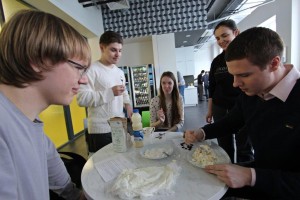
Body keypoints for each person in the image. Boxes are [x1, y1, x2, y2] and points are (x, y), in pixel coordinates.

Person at [185, 27, 300, 199]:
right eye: (233, 76)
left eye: (244, 75)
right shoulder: (252, 93)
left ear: (274, 63)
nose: (235, 84)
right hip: (262, 174)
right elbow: (232, 121)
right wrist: (203, 132)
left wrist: (250, 176)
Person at [0, 10, 90, 199]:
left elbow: (63, 184)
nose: (84, 80)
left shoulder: (32, 122)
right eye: (78, 68)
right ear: (38, 59)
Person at [77, 31, 132, 153]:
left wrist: (127, 103)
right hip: (100, 130)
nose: (118, 54)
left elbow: (124, 91)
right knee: (103, 167)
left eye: (120, 50)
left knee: (121, 160)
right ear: (102, 47)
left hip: (119, 126)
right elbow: (81, 98)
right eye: (113, 50)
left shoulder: (119, 72)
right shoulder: (91, 70)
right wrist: (110, 93)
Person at [207, 19, 253, 163]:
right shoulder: (216, 62)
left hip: (243, 105)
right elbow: (212, 88)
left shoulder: (248, 57)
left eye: (224, 35)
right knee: (224, 144)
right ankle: (227, 172)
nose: (221, 40)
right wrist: (210, 111)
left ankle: (244, 176)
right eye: (217, 38)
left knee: (244, 144)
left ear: (236, 33)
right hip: (220, 106)